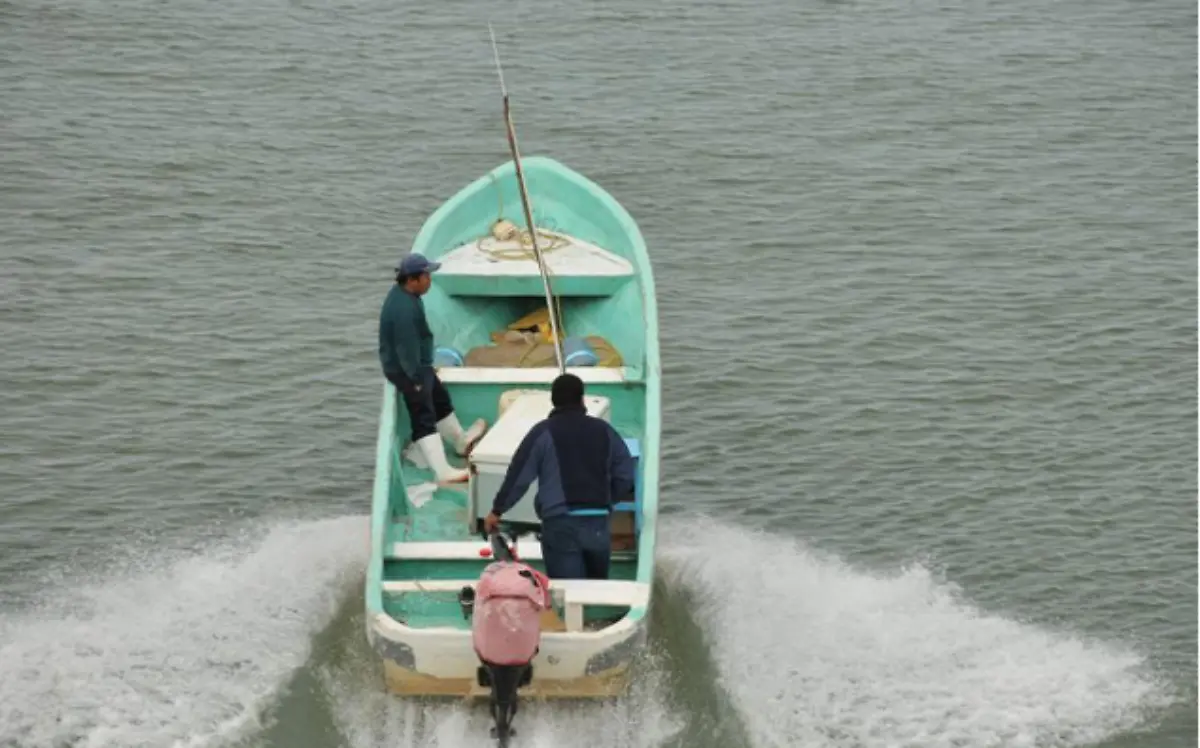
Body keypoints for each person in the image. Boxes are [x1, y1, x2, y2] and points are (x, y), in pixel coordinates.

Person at [484, 373, 636, 579]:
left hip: (560, 525)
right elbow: (625, 474)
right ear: (582, 400)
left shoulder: (542, 433)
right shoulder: (604, 431)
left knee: (568, 594)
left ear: (553, 401)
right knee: (596, 591)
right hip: (597, 524)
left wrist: (497, 511)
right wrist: (607, 499)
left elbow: (518, 477)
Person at [378, 252, 486, 483]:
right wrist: (417, 379)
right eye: (426, 276)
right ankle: (443, 472)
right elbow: (405, 349)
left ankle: (459, 441)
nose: (429, 280)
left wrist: (426, 369)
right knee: (423, 416)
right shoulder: (403, 309)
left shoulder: (408, 296)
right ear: (412, 279)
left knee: (440, 399)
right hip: (408, 372)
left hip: (420, 365)